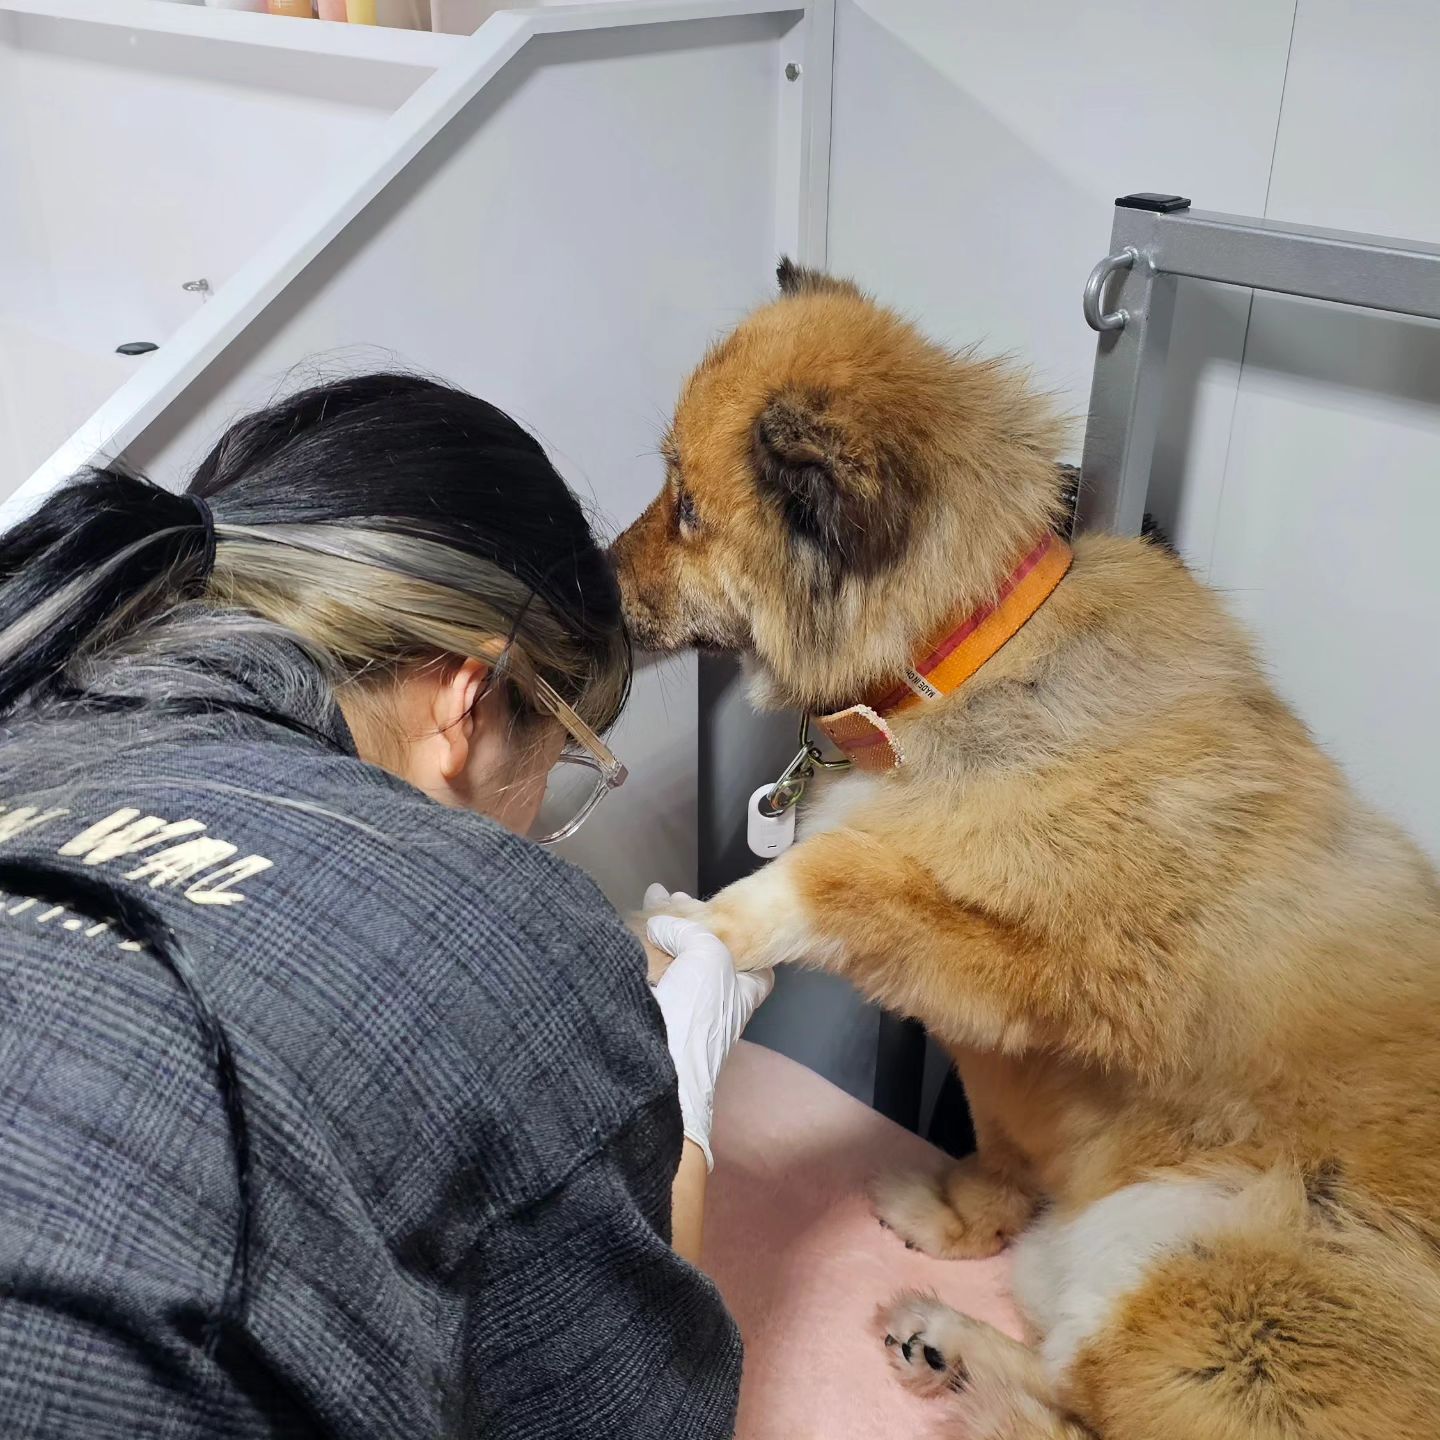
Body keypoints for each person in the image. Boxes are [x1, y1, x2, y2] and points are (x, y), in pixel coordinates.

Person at [0, 374, 769, 1438]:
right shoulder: (497, 928)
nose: (531, 825)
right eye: (561, 760)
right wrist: (680, 1106)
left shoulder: (32, 724)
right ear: (468, 699)